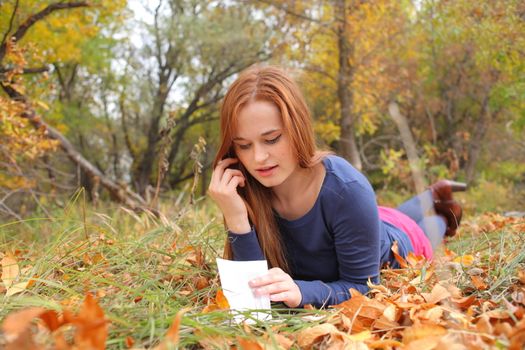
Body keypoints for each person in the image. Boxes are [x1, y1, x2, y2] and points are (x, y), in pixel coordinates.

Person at [208, 65, 466, 309]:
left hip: (400, 242)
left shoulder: (347, 190)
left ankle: (443, 209)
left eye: (272, 139)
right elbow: (251, 301)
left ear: (298, 128)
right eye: (243, 145)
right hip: (367, 219)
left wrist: (303, 292)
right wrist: (236, 217)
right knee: (388, 215)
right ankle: (433, 193)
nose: (257, 158)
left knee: (427, 227)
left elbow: (362, 288)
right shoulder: (243, 188)